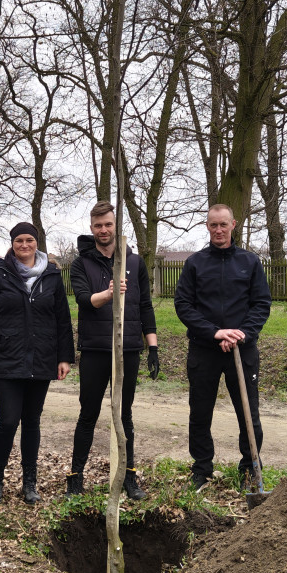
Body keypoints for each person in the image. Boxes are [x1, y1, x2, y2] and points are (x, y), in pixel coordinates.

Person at [174, 204, 271, 490]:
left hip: (243, 350)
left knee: (248, 412)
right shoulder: (195, 263)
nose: (218, 230)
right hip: (204, 350)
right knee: (200, 412)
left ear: (233, 225)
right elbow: (184, 306)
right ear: (207, 226)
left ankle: (250, 468)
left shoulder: (250, 262)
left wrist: (240, 334)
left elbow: (261, 304)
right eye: (213, 225)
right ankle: (202, 470)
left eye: (223, 225)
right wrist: (216, 333)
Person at [66, 201, 159, 500]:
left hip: (129, 348)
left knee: (125, 415)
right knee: (88, 414)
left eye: (108, 224)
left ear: (116, 226)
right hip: (95, 349)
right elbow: (82, 300)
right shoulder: (81, 263)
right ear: (91, 228)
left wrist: (152, 346)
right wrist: (107, 294)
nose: (103, 230)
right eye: (97, 226)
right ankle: (75, 477)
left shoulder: (135, 262)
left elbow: (145, 305)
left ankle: (128, 476)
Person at [0, 222, 75, 504]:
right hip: (7, 358)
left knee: (31, 421)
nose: (24, 245)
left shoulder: (52, 275)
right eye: (19, 240)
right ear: (12, 243)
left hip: (41, 358)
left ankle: (29, 482)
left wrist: (65, 357)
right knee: (8, 421)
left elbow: (62, 319)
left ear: (37, 242)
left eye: (29, 240)